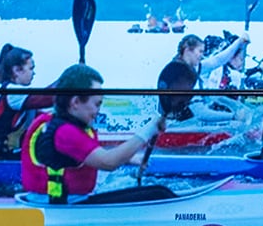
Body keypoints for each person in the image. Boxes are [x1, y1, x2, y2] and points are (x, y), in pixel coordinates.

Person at [17, 65, 159, 203]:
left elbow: (90, 154)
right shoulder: (65, 133)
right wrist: (149, 129)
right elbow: (108, 162)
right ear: (76, 102)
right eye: (97, 104)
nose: (98, 111)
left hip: (61, 202)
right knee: (156, 194)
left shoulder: (59, 124)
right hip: (62, 208)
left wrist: (128, 158)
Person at [0, 43, 43, 159]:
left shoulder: (1, 89)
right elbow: (46, 99)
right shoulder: (12, 93)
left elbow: (41, 113)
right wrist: (70, 80)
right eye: (31, 68)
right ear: (17, 70)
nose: (34, 73)